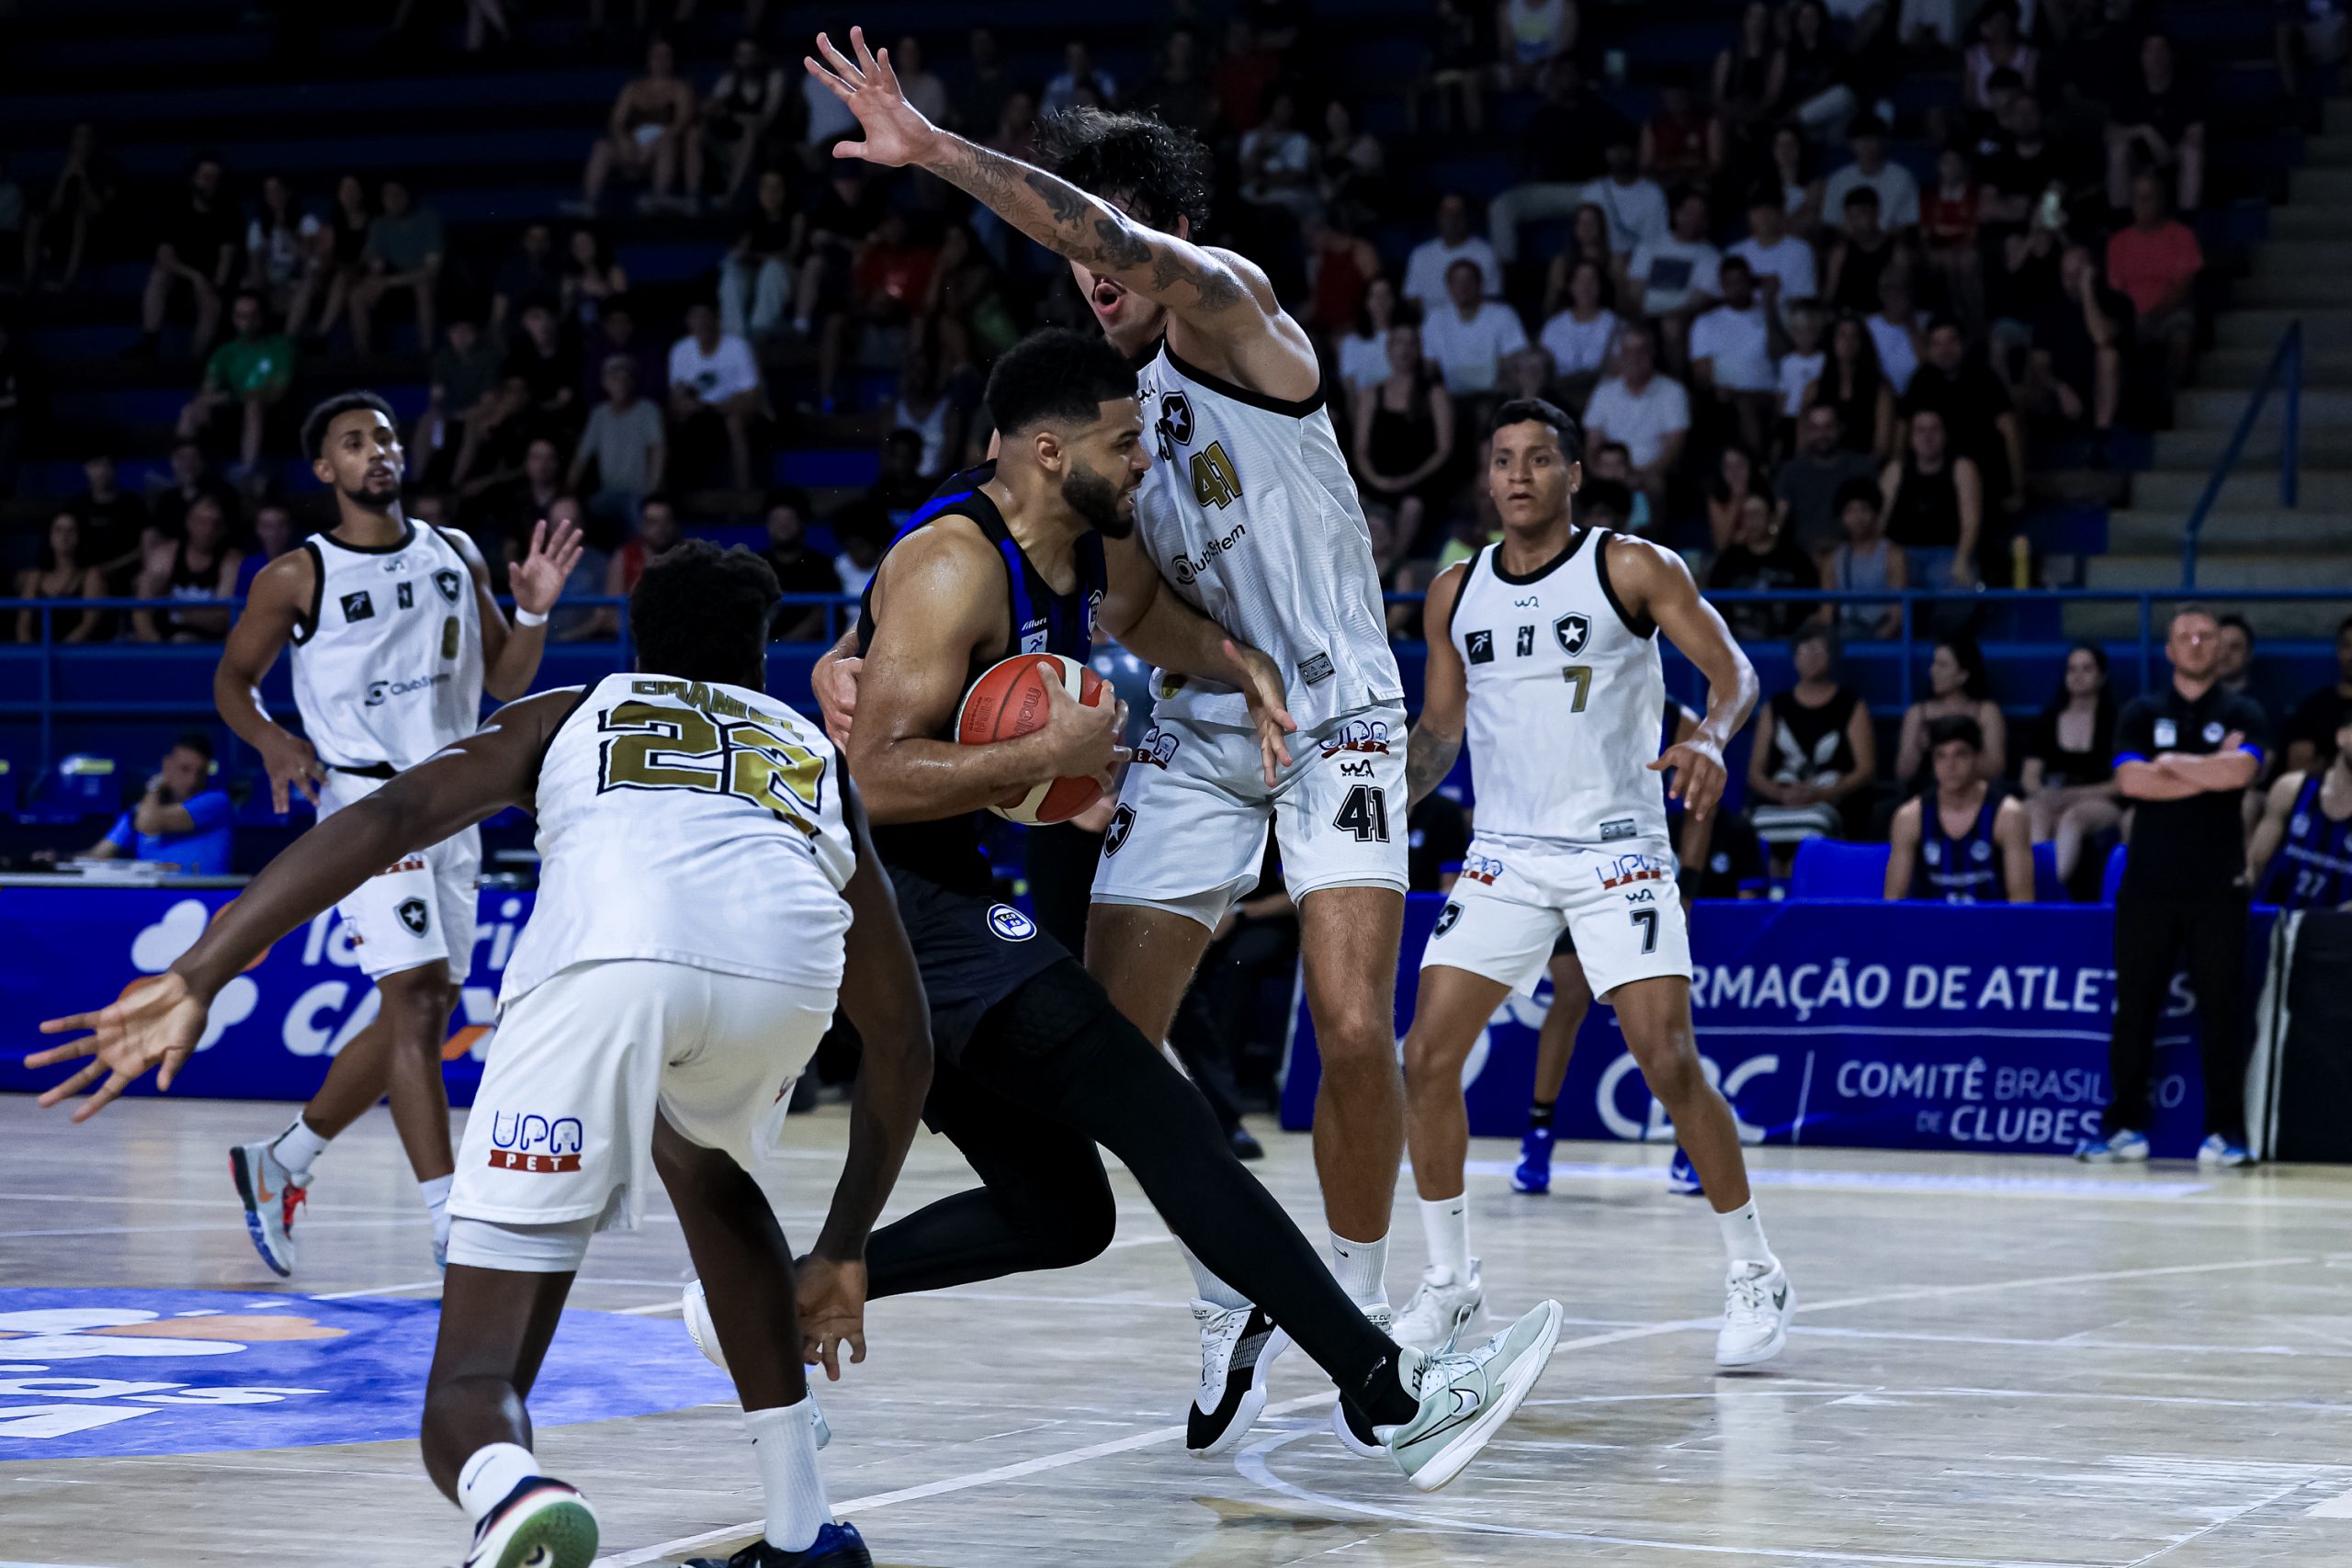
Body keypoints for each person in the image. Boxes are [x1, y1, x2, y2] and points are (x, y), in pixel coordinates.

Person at [802, 50, 1564, 1469]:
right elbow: (1099, 585)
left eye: (1115, 238)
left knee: (1350, 1026)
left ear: (1165, 234)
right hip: (1201, 723)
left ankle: (1353, 1309)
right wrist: (850, 647)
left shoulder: (1240, 315)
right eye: (1082, 252)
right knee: (1107, 1040)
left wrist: (936, 150)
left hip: (1339, 713)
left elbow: (1100, 232)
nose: (1094, 269)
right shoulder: (1104, 410)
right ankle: (1233, 1298)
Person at [33, 541, 933, 1568]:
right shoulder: (810, 752)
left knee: (470, 1381)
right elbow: (904, 1037)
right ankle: (805, 1531)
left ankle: (510, 1489)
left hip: (608, 965)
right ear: (760, 660)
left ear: (637, 646)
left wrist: (202, 970)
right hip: (783, 978)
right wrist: (844, 1246)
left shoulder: (571, 711)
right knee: (708, 1164)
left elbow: (390, 814)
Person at [1396, 397, 1794, 1364]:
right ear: (1487, 479)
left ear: (1573, 475)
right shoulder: (1454, 592)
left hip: (1617, 849)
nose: (1518, 475)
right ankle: (1450, 1284)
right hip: (1505, 855)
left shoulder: (1631, 566)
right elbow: (1440, 732)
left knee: (1668, 1060)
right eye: (1503, 459)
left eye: (1538, 458)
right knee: (1426, 1058)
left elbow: (1735, 674)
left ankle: (1755, 1268)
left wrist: (1710, 734)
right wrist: (1374, 802)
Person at [212, 391, 582, 1277]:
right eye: (353, 441)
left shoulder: (454, 551)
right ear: (325, 469)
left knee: (428, 1004)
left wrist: (533, 612)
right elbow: (233, 679)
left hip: (454, 804)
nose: (375, 449)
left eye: (383, 436)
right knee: (416, 997)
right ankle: (452, 1222)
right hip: (367, 805)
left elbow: (505, 682)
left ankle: (284, 1159)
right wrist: (272, 739)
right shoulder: (297, 575)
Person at [2079, 605, 2267, 1168]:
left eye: (2206, 636)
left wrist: (2172, 764)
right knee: (2134, 1007)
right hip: (2148, 886)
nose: (2196, 643)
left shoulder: (2243, 710)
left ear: (2220, 647)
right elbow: (2132, 782)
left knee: (2222, 1010)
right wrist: (2208, 769)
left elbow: (2240, 774)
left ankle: (2225, 1132)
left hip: (2218, 887)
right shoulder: (2141, 711)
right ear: (2169, 649)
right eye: (2186, 636)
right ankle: (2123, 1127)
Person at [1747, 626, 1876, 860]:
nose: (1811, 658)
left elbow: (1865, 769)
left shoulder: (1851, 704)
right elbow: (1755, 773)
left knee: (1818, 828)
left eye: (1818, 651)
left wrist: (1822, 794)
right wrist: (1781, 795)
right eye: (1804, 651)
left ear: (1833, 656)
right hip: (1782, 796)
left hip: (1832, 798)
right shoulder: (1775, 706)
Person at [1885, 716, 2033, 902]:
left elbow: (2021, 900)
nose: (1950, 765)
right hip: (1932, 920)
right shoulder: (1910, 817)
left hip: (1991, 919)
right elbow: (1894, 899)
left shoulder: (2008, 815)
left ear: (1977, 757)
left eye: (1960, 754)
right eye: (1941, 756)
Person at [45, 733, 233, 875]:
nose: (192, 780)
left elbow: (148, 824)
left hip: (203, 899)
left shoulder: (217, 802)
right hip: (154, 899)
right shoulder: (137, 812)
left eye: (200, 773)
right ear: (167, 765)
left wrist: (154, 787)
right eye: (185, 769)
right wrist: (60, 858)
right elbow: (99, 854)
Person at [1352, 319, 1457, 566]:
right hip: (1378, 478)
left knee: (1412, 506)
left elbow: (1444, 449)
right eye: (1399, 342)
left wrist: (1408, 480)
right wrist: (1377, 480)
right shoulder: (1371, 393)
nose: (1405, 349)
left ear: (1419, 349)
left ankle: (1391, 568)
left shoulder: (1434, 393)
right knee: (1359, 503)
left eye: (1411, 343)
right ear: (1389, 349)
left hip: (1420, 480)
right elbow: (1360, 449)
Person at [2020, 641, 2120, 886]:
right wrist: (2043, 793)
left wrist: (2074, 795)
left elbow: (2121, 784)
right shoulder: (2048, 719)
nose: (2077, 675)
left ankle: (2052, 886)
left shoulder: (2115, 721)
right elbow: (2029, 776)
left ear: (2101, 676)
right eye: (2072, 669)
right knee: (2035, 812)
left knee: (2072, 818)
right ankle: (2035, 885)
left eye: (2086, 669)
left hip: (2097, 801)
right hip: (2052, 796)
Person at [132, 153, 240, 360]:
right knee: (159, 275)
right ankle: (150, 341)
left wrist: (216, 287)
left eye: (214, 177)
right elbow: (164, 255)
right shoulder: (176, 206)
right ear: (193, 178)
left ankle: (196, 359)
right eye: (205, 176)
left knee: (212, 303)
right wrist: (193, 276)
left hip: (210, 278)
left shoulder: (229, 210)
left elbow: (226, 257)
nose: (209, 183)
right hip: (181, 274)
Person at [175, 291, 296, 475]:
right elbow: (208, 390)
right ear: (233, 318)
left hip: (271, 417)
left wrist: (236, 396)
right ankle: (183, 475)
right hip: (233, 414)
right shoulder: (224, 352)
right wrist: (206, 402)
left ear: (262, 317)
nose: (246, 322)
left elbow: (277, 392)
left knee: (253, 405)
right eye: (240, 316)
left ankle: (248, 471)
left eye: (251, 316)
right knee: (190, 412)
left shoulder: (280, 347)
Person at [2105, 172, 2202, 395]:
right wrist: (2133, 316)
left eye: (2148, 198)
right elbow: (2116, 290)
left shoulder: (2182, 236)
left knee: (2182, 334)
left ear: (2161, 200)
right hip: (2131, 317)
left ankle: (2170, 401)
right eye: (2137, 197)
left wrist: (2154, 314)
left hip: (2169, 313)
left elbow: (2183, 286)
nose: (2142, 204)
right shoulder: (2118, 242)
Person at [580, 37, 700, 215]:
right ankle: (589, 204)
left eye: (666, 56)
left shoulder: (680, 88)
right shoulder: (633, 88)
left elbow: (682, 121)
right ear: (648, 58)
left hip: (665, 145)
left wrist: (656, 143)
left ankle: (660, 198)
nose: (660, 61)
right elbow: (616, 121)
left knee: (666, 145)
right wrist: (623, 140)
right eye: (656, 56)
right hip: (635, 146)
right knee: (601, 147)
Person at [1580, 321, 1689, 513]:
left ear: (1652, 353)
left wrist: (1643, 475)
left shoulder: (1673, 391)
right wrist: (1600, 472)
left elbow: (1674, 446)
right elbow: (1592, 444)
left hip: (1650, 472)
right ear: (1621, 355)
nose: (1635, 357)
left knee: (1655, 486)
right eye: (1628, 351)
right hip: (1609, 471)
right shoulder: (1604, 392)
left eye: (1641, 350)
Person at [2249, 714, 2352, 910]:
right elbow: (2255, 865)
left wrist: (2322, 923)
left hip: (2337, 926)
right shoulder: (2291, 788)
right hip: (2272, 917)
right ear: (2341, 736)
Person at [1878, 406, 1981, 592]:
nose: (1927, 437)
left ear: (1946, 434)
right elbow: (1879, 522)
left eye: (1935, 429)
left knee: (1960, 585)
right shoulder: (1896, 470)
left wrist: (1962, 559)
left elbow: (1971, 522)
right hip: (1902, 555)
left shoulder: (1962, 467)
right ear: (1910, 437)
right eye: (1920, 430)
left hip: (1948, 553)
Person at [668, 301, 764, 492]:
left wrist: (712, 406)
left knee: (735, 422)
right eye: (695, 317)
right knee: (673, 419)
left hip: (733, 412)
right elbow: (676, 397)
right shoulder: (680, 350)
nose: (701, 323)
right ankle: (683, 493)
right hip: (699, 414)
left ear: (716, 320)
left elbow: (750, 398)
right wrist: (686, 403)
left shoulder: (738, 347)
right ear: (688, 322)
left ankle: (743, 490)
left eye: (705, 317)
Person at [2106, 29, 2206, 214]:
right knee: (2117, 151)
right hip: (2138, 162)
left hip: (2174, 159)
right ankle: (2120, 222)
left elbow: (2196, 135)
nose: (2156, 58)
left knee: (2192, 154)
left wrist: (2166, 151)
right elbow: (2110, 133)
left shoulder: (2188, 89)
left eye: (2161, 50)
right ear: (2141, 57)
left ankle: (2186, 222)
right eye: (2150, 51)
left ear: (2171, 55)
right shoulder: (2129, 89)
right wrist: (2145, 131)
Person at [1690, 255, 1780, 455]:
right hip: (1725, 398)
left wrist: (1770, 307)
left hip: (1766, 394)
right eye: (1730, 283)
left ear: (1750, 281)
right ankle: (1756, 462)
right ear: (1722, 285)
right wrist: (1716, 388)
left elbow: (1779, 353)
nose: (1736, 287)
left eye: (1740, 281)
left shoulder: (1768, 315)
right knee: (1742, 404)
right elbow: (1701, 374)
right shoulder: (1706, 322)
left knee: (1747, 403)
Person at [1624, 188, 1721, 367]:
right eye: (1689, 212)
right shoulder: (1650, 246)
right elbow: (1635, 287)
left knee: (1672, 326)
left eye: (1700, 215)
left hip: (1682, 317)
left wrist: (1674, 315)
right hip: (1645, 313)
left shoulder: (1711, 256)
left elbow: (1701, 299)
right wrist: (1637, 314)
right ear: (1677, 214)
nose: (1693, 219)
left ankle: (1677, 378)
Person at [348, 178, 445, 357]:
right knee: (357, 295)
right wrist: (374, 279)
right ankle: (362, 356)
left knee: (422, 288)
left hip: (425, 282)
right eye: (387, 195)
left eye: (397, 193)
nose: (392, 199)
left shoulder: (428, 219)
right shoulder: (379, 224)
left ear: (408, 195)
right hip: (393, 284)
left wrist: (388, 282)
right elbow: (376, 266)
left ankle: (427, 353)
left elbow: (432, 270)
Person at [134, 492, 244, 644]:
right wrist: (153, 643)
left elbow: (221, 618)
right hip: (163, 643)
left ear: (223, 529)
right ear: (189, 522)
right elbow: (142, 608)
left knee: (183, 639)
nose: (208, 530)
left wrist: (175, 611)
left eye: (215, 523)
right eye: (202, 522)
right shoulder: (165, 555)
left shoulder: (231, 561)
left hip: (209, 646)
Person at [1896, 635, 2006, 787]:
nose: (1932, 671)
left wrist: (1954, 748)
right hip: (1928, 793)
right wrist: (1919, 747)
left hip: (1975, 793)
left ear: (1963, 675)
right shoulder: (1917, 713)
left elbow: (1996, 769)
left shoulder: (1986, 711)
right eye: (1934, 663)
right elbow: (1903, 772)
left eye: (1942, 665)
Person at [568, 357, 665, 526]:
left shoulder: (648, 410)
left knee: (639, 518)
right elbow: (582, 456)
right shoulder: (599, 414)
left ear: (633, 382)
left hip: (638, 494)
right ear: (605, 382)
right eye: (614, 379)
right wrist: (568, 491)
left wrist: (653, 490)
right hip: (607, 493)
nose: (621, 384)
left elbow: (658, 450)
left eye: (626, 378)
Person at [1778, 403, 1880, 559]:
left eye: (1828, 427)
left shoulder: (1861, 467)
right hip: (1800, 557)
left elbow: (1875, 518)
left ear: (1840, 428)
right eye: (1815, 428)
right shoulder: (1790, 471)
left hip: (1855, 554)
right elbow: (1779, 518)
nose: (1822, 434)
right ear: (1806, 431)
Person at [1707, 492, 1812, 641]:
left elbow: (1810, 607)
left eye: (1757, 514)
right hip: (1737, 643)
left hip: (1786, 643)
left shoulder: (1796, 558)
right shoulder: (1728, 561)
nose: (1752, 521)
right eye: (1747, 515)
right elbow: (1714, 603)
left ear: (1770, 517)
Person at [1419, 256, 1529, 400]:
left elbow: (1514, 358)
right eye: (1457, 282)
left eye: (1468, 280)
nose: (1463, 287)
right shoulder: (1435, 319)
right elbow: (1430, 365)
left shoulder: (1503, 314)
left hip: (1495, 393)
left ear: (1479, 284)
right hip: (1451, 396)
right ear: (1449, 286)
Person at [701, 36, 789, 205]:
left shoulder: (774, 77)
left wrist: (732, 115)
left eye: (751, 54)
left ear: (760, 56)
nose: (746, 59)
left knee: (750, 133)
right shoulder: (730, 79)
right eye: (742, 55)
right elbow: (709, 108)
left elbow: (765, 120)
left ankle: (731, 194)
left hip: (770, 140)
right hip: (733, 140)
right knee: (699, 131)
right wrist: (717, 108)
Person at [1819, 477, 1906, 639]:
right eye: (1850, 511)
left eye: (1864, 509)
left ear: (1875, 513)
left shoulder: (1893, 555)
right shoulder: (1833, 560)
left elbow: (1898, 610)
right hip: (1845, 637)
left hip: (1883, 636)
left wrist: (1877, 640)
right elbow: (1827, 611)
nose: (1858, 517)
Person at [720, 168, 801, 342]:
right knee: (732, 274)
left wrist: (763, 258)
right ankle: (734, 336)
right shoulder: (752, 218)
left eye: (777, 187)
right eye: (766, 188)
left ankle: (759, 331)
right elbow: (741, 255)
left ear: (785, 191)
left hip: (786, 277)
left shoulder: (795, 218)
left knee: (773, 270)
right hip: (755, 274)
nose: (771, 193)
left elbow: (791, 254)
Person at [1403, 193, 1503, 322]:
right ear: (1438, 217)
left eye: (1458, 214)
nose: (1452, 219)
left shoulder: (1485, 253)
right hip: (1430, 327)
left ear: (1467, 217)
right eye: (1447, 213)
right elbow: (1412, 299)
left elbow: (1492, 299)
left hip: (1472, 326)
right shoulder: (1420, 254)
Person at [761, 489, 842, 642]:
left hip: (811, 650)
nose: (783, 526)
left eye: (789, 519)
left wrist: (784, 645)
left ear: (802, 521)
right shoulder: (755, 565)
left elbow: (822, 616)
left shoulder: (822, 565)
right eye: (776, 520)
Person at [17, 508, 108, 644]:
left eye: (70, 531)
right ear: (49, 535)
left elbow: (88, 625)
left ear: (80, 536)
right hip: (36, 653)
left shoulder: (91, 575)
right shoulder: (35, 577)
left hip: (76, 653)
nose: (64, 536)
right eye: (58, 530)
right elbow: (23, 626)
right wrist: (31, 653)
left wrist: (58, 652)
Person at [1820, 114, 1922, 234]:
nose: (1866, 145)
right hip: (1848, 241)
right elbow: (1831, 222)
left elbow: (1908, 222)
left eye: (1872, 138)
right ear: (1851, 144)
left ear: (1883, 141)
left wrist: (1878, 240)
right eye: (1861, 139)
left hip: (1890, 241)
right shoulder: (1837, 179)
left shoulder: (1902, 177)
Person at [2283, 615, 2352, 775]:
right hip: (2327, 789)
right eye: (2347, 646)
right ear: (2338, 650)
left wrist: (2325, 762)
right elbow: (2298, 769)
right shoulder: (2314, 708)